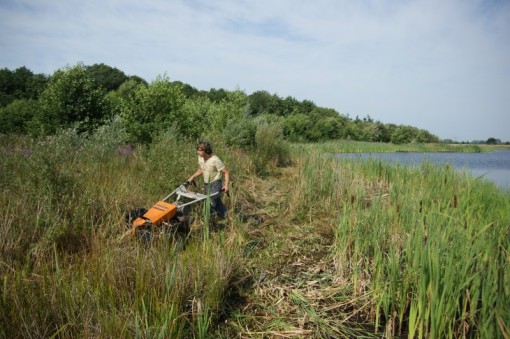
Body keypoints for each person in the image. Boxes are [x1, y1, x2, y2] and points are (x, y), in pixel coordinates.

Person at [187, 141, 229, 219]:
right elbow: (200, 170)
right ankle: (227, 217)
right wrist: (193, 177)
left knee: (209, 204)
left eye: (200, 150)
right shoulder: (200, 158)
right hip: (207, 185)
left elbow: (226, 172)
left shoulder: (215, 160)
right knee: (217, 204)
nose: (198, 152)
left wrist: (226, 185)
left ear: (206, 150)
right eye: (198, 149)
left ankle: (211, 225)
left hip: (216, 184)